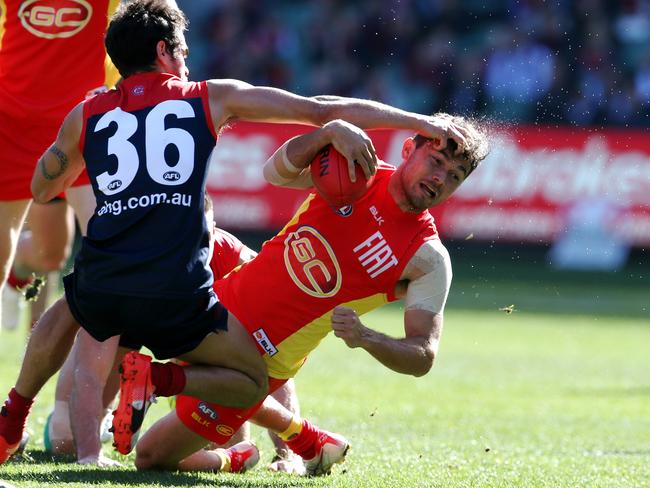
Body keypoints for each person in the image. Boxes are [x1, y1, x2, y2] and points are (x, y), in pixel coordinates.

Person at [0, 0, 467, 465]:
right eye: (182, 50)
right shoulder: (207, 95)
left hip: (105, 283)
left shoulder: (88, 113)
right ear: (164, 52)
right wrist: (417, 121)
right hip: (178, 290)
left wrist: (66, 159)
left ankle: (31, 420)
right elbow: (318, 109)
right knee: (250, 378)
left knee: (70, 310)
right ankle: (178, 391)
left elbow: (44, 187)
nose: (187, 59)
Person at [132, 114, 489, 476]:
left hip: (260, 360)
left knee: (150, 458)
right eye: (436, 161)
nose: (439, 179)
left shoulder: (427, 258)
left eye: (454, 176)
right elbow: (274, 172)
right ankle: (90, 420)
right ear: (408, 149)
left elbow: (423, 355)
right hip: (220, 302)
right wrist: (327, 133)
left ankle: (237, 451)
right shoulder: (353, 172)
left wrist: (366, 337)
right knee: (128, 296)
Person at [46, 197, 302, 471]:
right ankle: (81, 420)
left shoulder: (233, 257)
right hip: (149, 322)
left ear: (213, 228)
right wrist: (91, 443)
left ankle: (284, 451)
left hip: (206, 342)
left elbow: (271, 334)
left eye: (201, 233)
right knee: (65, 440)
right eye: (185, 233)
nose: (193, 242)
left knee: (263, 351)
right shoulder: (143, 260)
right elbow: (100, 356)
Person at [0, 0, 122, 330]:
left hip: (85, 123)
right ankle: (16, 275)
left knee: (100, 248)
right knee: (40, 251)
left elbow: (160, 15)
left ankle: (109, 362)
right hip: (12, 123)